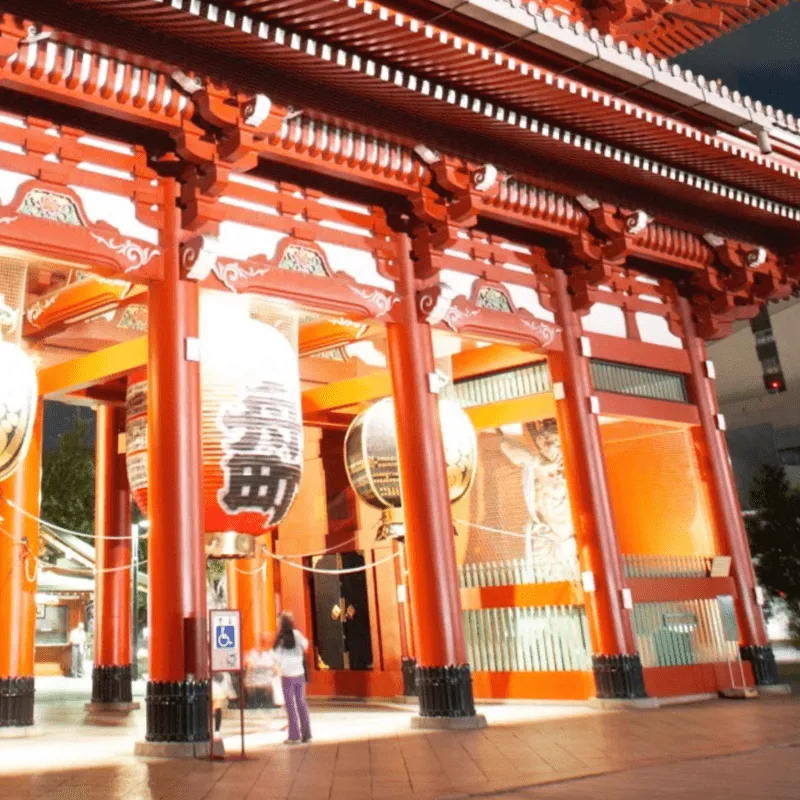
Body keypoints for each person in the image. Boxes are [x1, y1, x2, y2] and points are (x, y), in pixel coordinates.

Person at [499, 420, 577, 581]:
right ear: (541, 442)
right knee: (542, 579)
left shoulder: (573, 469)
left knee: (572, 580)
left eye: (561, 443)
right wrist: (538, 464)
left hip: (570, 538)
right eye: (553, 442)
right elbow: (506, 446)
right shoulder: (535, 466)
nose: (557, 449)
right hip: (545, 535)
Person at [272, 611, 311, 744]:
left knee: (290, 705)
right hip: (299, 672)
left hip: (287, 675)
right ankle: (307, 734)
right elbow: (306, 645)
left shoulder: (280, 638)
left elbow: (274, 656)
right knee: (301, 703)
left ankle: (294, 735)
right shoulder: (297, 634)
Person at [245, 634, 276, 709]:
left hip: (267, 676)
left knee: (271, 681)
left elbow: (272, 665)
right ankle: (252, 703)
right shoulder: (252, 652)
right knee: (250, 682)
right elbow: (250, 664)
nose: (258, 645)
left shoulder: (269, 653)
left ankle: (268, 703)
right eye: (257, 643)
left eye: (260, 643)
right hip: (254, 676)